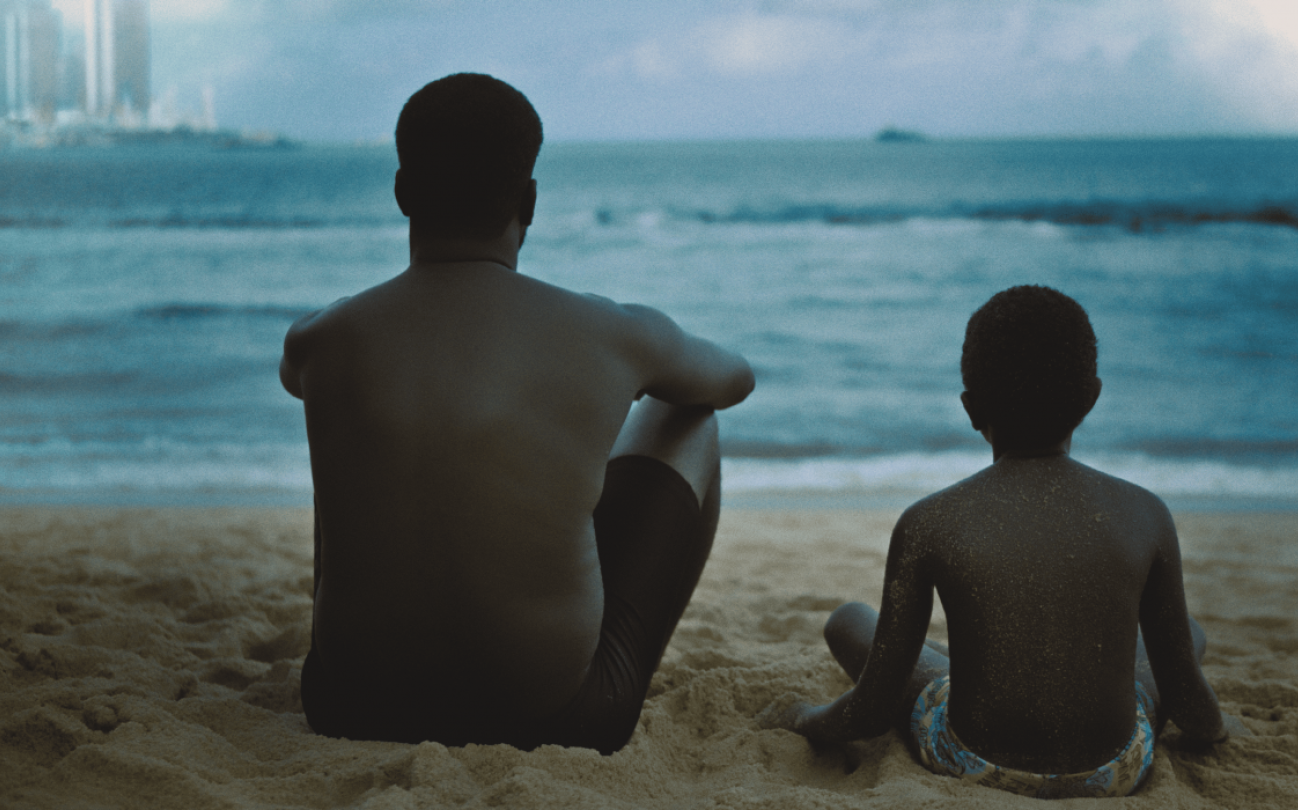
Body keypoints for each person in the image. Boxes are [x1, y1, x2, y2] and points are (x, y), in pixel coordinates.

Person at [280, 73, 754, 753]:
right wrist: (627, 371)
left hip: (345, 705)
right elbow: (734, 379)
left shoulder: (319, 341)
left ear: (401, 192)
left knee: (357, 430)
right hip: (556, 719)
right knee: (691, 416)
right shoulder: (609, 332)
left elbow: (298, 377)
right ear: (528, 201)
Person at [763, 285, 1246, 798]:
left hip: (972, 761)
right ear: (1091, 399)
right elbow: (1188, 702)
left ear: (971, 410)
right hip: (1115, 769)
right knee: (1185, 636)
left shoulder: (929, 521)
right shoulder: (1146, 513)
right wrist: (1217, 730)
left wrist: (802, 717)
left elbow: (872, 709)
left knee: (848, 622)